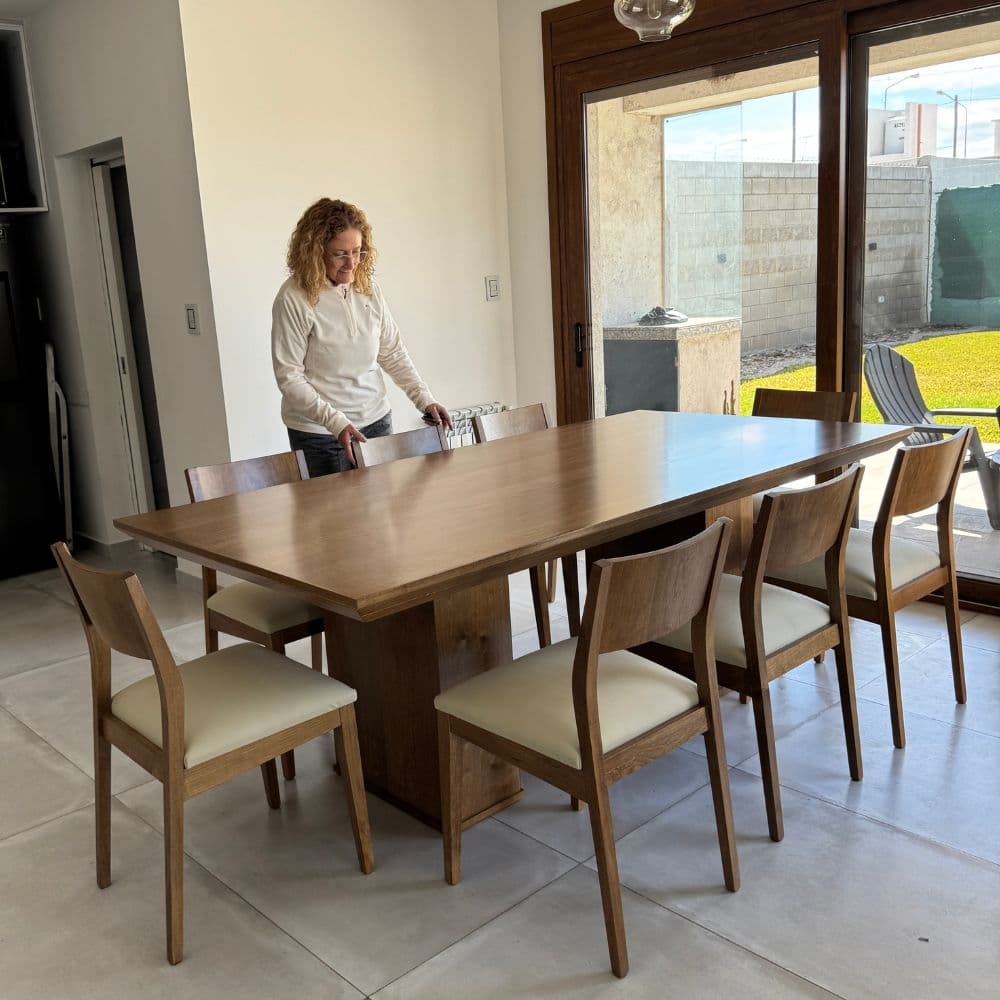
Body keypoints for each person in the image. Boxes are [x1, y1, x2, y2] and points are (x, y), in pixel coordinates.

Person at [272, 198, 452, 476]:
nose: (351, 263)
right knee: (333, 507)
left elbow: (391, 352)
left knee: (381, 505)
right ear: (315, 252)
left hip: (376, 422)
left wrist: (424, 399)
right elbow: (290, 377)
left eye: (357, 252)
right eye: (340, 254)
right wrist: (335, 422)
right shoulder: (294, 298)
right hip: (320, 434)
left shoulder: (368, 288)